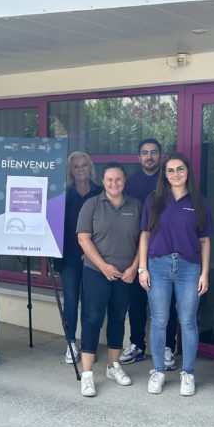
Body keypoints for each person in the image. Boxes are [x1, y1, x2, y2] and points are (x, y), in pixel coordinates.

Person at [138, 153, 212, 396]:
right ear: (165, 174)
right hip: (157, 265)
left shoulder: (199, 201)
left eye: (180, 169)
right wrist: (142, 268)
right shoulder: (154, 199)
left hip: (188, 268)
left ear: (187, 172)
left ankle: (188, 373)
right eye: (170, 170)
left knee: (188, 322)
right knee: (159, 321)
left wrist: (205, 273)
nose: (176, 174)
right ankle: (158, 371)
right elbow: (145, 235)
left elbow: (204, 240)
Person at [75, 162, 141, 397]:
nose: (114, 184)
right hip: (96, 272)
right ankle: (87, 374)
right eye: (110, 180)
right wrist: (103, 267)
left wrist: (135, 267)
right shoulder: (91, 205)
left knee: (117, 318)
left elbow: (143, 240)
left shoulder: (136, 205)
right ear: (103, 182)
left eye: (119, 179)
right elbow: (83, 238)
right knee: (92, 320)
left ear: (125, 181)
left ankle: (113, 366)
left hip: (125, 275)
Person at [121, 138, 179, 370]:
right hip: (138, 252)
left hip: (166, 252)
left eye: (154, 153)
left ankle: (167, 347)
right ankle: (137, 345)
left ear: (161, 156)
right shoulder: (131, 184)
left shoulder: (169, 182)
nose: (149, 157)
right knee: (136, 302)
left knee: (167, 303)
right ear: (139, 157)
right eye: (145, 153)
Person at [54, 151, 102, 363]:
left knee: (91, 302)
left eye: (84, 165)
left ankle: (87, 345)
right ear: (70, 171)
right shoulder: (63, 194)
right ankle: (71, 343)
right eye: (76, 166)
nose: (81, 170)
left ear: (90, 168)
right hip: (69, 257)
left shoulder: (100, 193)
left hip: (95, 257)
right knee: (71, 300)